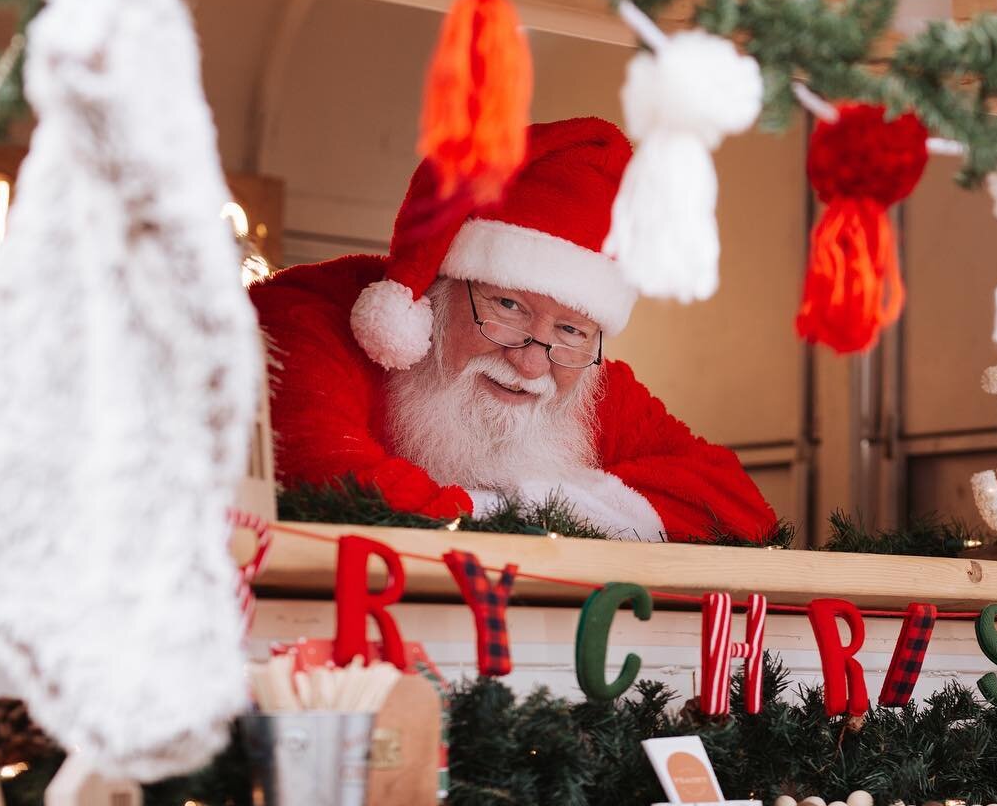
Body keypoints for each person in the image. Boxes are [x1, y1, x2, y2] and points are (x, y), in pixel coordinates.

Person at [250, 116, 776, 542]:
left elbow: (737, 507)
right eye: (509, 306)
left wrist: (550, 505)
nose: (531, 363)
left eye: (572, 328)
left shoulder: (583, 380)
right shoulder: (310, 320)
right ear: (438, 288)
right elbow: (333, 482)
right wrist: (555, 518)